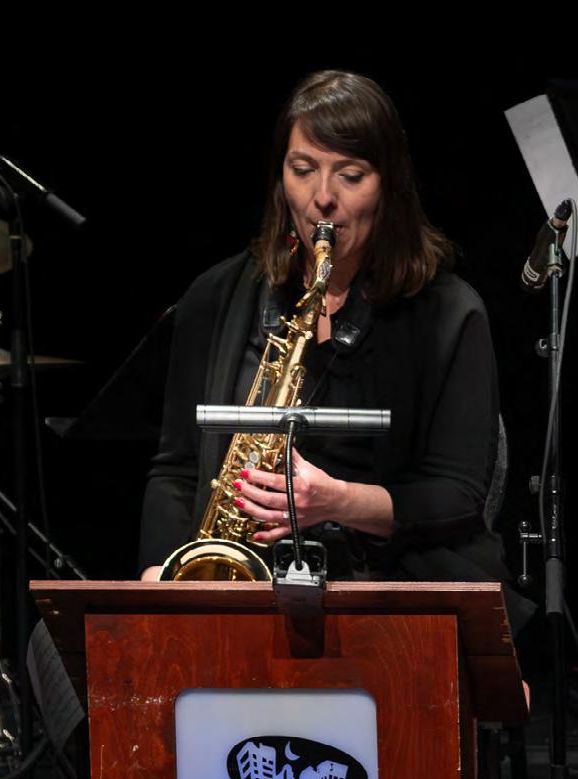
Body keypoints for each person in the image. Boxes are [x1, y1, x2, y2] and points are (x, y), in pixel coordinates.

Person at [141, 71, 504, 586]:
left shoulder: (451, 312)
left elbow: (458, 496)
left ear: (389, 187)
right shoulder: (214, 296)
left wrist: (337, 501)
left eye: (350, 175)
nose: (323, 197)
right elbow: (176, 467)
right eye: (303, 169)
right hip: (242, 584)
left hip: (388, 586)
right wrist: (159, 573)